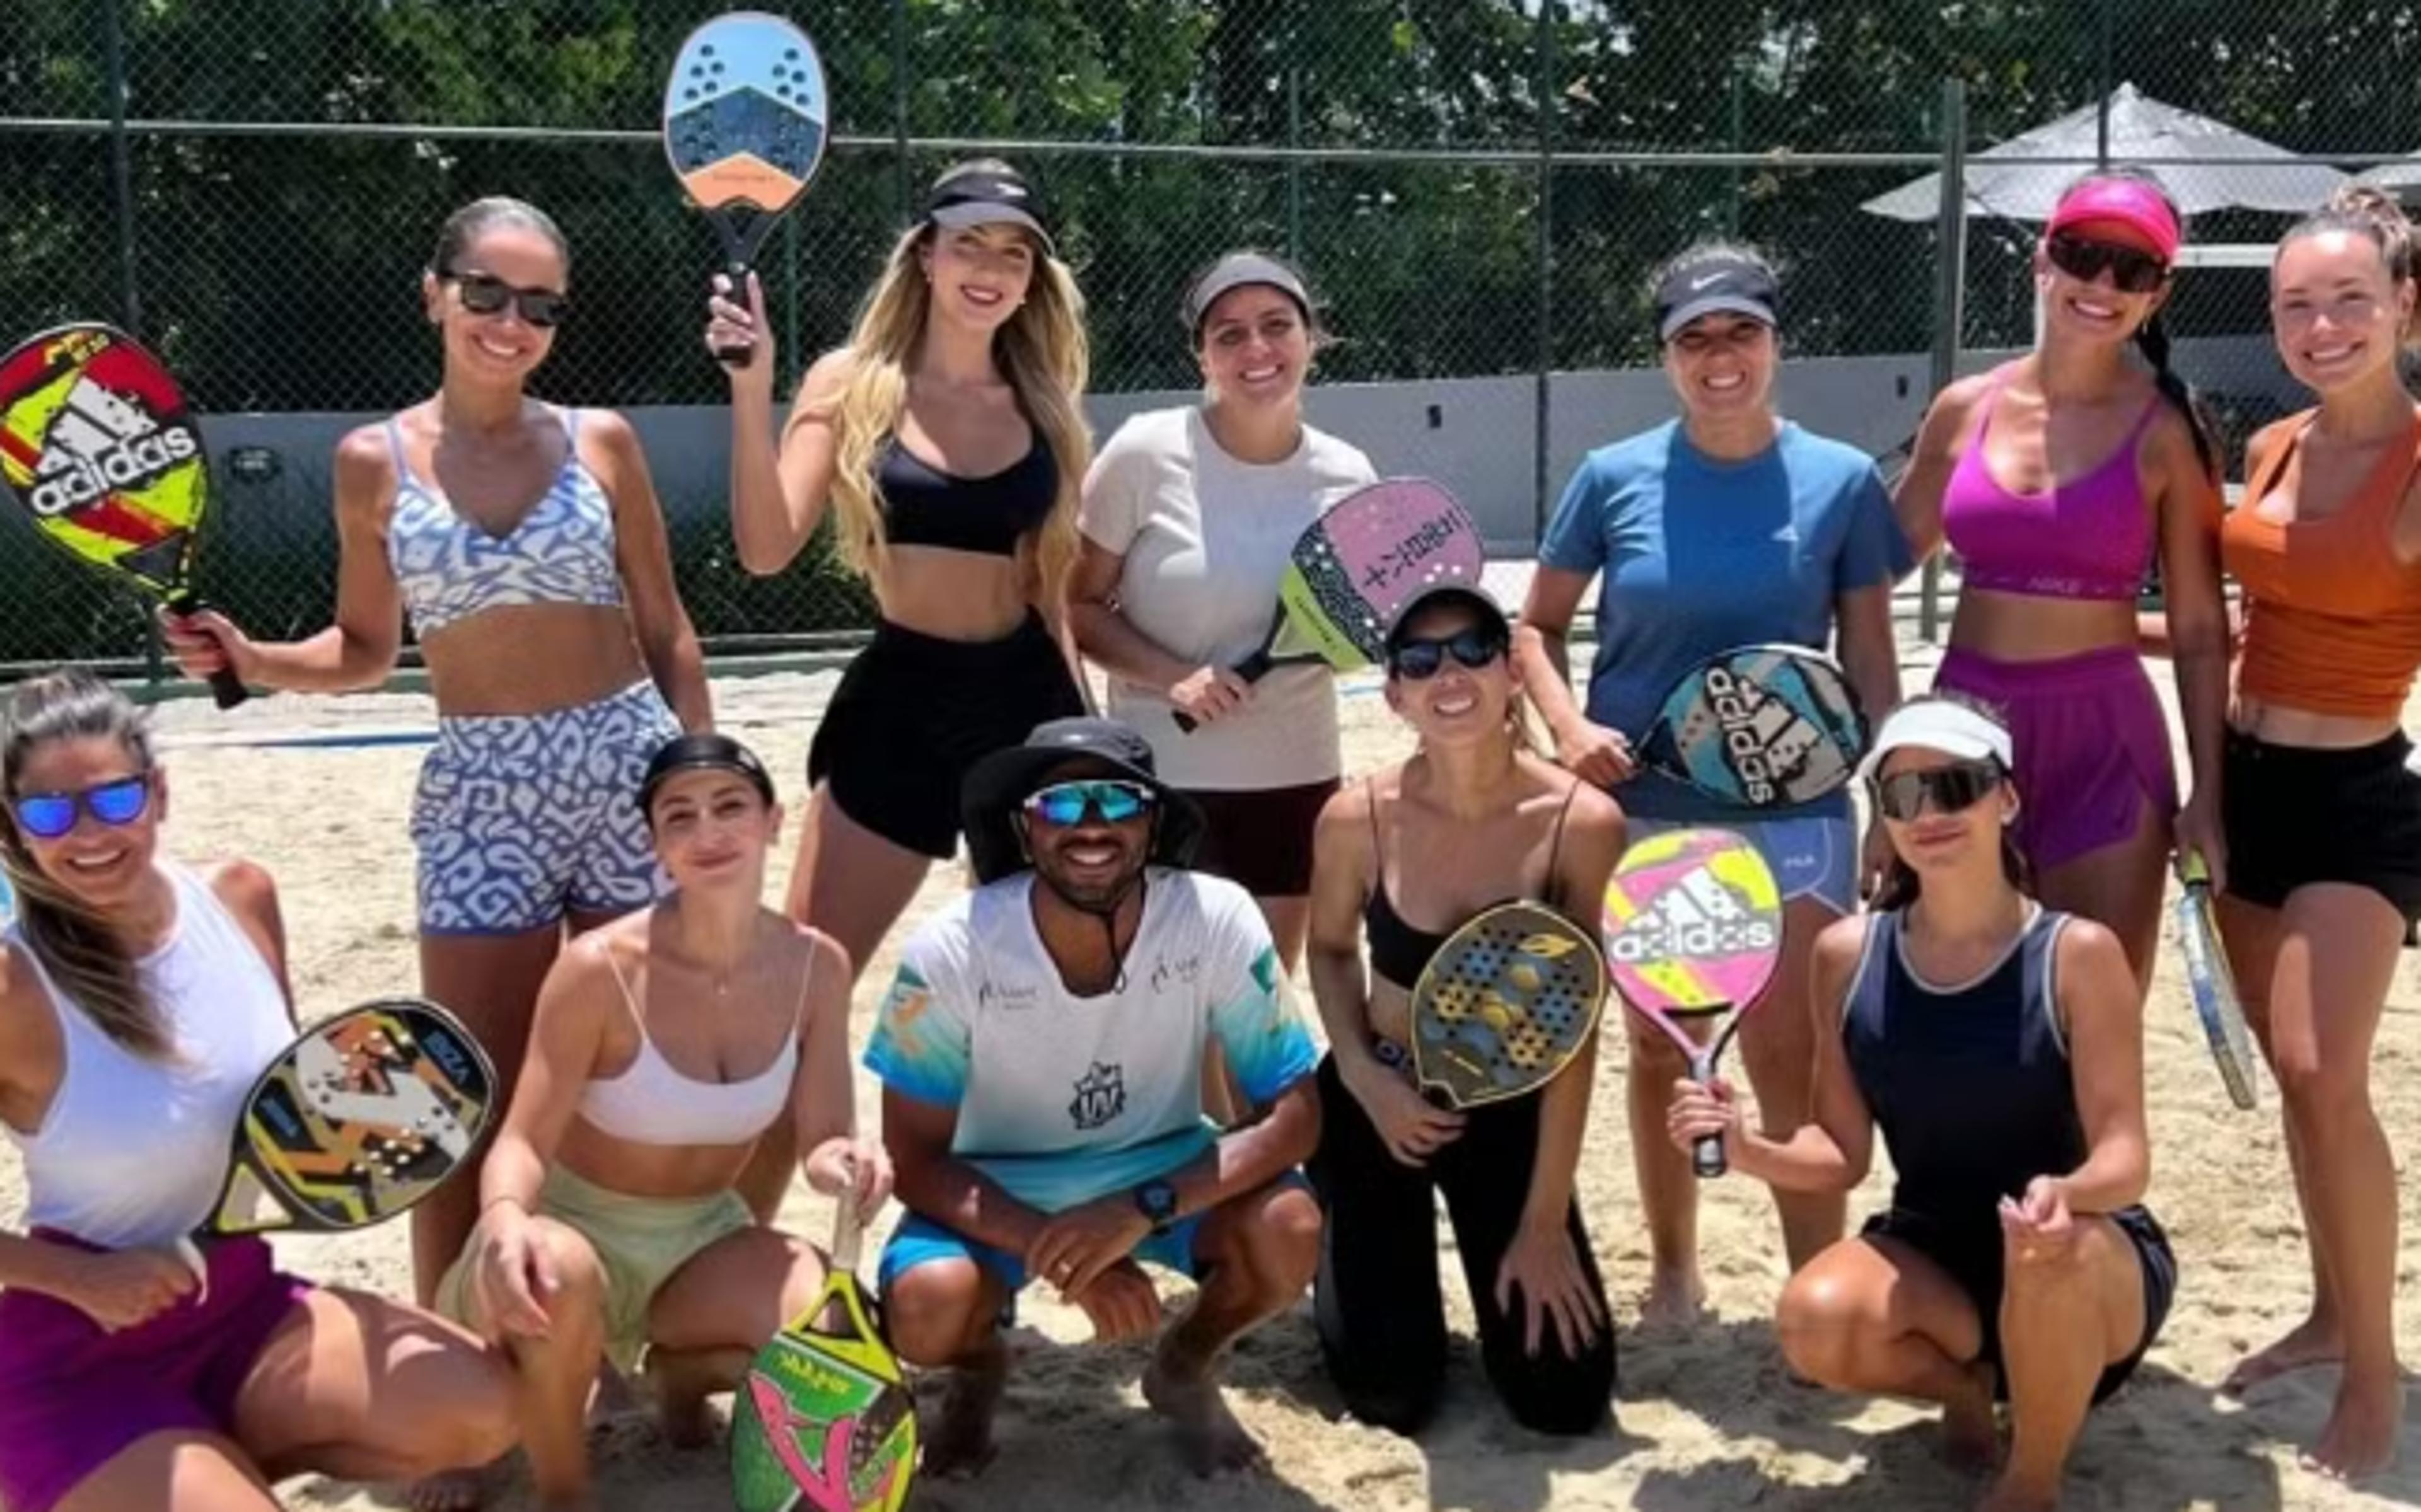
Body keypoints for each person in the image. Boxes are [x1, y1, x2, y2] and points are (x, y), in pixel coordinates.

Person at [161, 197, 711, 1300]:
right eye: (488, 293)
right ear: (436, 293)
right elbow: (366, 649)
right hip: (482, 784)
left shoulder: (600, 439)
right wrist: (253, 653)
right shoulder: (375, 460)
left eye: (541, 304)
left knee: (621, 1076)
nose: (512, 322)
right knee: (453, 1082)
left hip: (625, 769)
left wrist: (704, 776)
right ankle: (456, 1340)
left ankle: (622, 1328)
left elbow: (664, 624)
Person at [0, 669, 516, 1512]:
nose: (89, 834)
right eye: (51, 812)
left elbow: (302, 1105)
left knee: (482, 1409)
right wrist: (76, 1276)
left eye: (114, 799)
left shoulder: (241, 897)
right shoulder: (15, 984)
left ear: (159, 792)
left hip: (243, 1304)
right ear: (15, 826)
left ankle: (196, 1458)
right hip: (78, 1353)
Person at [1515, 241, 1905, 1324]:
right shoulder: (1611, 475)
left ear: (1778, 343)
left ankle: (1810, 1278)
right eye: (1695, 337)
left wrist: (1880, 793)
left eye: (1741, 332)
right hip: (1649, 805)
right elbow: (1536, 628)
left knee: (1790, 1048)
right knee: (1658, 1048)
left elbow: (1870, 661)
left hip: (1798, 813)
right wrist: (1569, 721)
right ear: (1665, 355)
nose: (1719, 355)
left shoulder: (1840, 479)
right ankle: (1675, 1271)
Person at [1669, 696, 2174, 1512]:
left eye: (1956, 785)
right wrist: (1747, 1145)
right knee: (1812, 1320)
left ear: (2006, 797)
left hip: (2084, 1258)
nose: (1929, 812)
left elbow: (2126, 1155)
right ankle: (1968, 1388)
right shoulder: (1846, 952)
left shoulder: (2078, 952)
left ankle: (2030, 1483)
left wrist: (2068, 1194)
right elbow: (1842, 1150)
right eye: (1902, 796)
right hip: (1935, 1256)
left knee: (2052, 1250)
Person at [437, 732, 886, 1511]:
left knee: (823, 1322)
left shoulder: (818, 964)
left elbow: (820, 1138)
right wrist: (506, 1218)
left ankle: (678, 1378)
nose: (707, 832)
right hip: (572, 1229)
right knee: (552, 1268)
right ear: (655, 842)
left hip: (702, 1235)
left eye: (729, 806)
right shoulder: (599, 968)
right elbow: (521, 1140)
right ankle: (564, 1493)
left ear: (774, 821)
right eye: (679, 816)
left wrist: (850, 1161)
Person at [864, 717, 1321, 1478]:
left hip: (1162, 1162)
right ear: (1024, 827)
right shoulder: (952, 946)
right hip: (1001, 1176)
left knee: (1291, 1227)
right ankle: (980, 1368)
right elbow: (912, 1156)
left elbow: (1297, 1114)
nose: (1092, 826)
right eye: (1062, 805)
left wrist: (1140, 1206)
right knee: (924, 1310)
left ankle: (1183, 1361)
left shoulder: (1215, 914)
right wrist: (1069, 1254)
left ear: (1154, 818)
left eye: (1116, 801)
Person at [702, 158, 1091, 990]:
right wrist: (752, 388)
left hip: (1024, 697)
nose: (988, 270)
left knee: (1030, 983)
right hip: (902, 697)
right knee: (803, 971)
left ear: (1033, 280)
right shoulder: (850, 383)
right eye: (969, 245)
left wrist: (1085, 733)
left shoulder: (1046, 400)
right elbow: (766, 550)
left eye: (1012, 254)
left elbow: (1049, 587)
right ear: (925, 255)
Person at [1892, 170, 2229, 987]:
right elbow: (1871, 567)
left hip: (2106, 743)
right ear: (2043, 259)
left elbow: (2197, 628)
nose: (2102, 285)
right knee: (1961, 1014)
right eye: (2083, 256)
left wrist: (2210, 796)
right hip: (1962, 731)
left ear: (2159, 293)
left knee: (2093, 1013)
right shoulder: (1962, 409)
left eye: (2133, 270)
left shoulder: (2171, 431)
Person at [2208, 185, 2421, 1479]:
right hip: (2243, 786)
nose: (2323, 323)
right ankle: (2330, 1309)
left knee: (2322, 1069)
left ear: (2407, 304)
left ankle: (2380, 1369)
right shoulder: (2277, 442)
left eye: (2352, 297)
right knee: (2297, 1081)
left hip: (2359, 799)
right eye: (2297, 303)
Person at [1304, 584, 1624, 1436]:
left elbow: (1576, 1025)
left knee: (1563, 1398)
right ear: (1396, 694)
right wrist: (1367, 1077)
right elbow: (1331, 949)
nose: (1448, 672)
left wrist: (1545, 1220)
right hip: (1381, 1097)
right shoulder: (1354, 816)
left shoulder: (1581, 822)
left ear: (1512, 673)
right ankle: (1348, 1216)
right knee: (1390, 1395)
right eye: (1419, 659)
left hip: (1509, 1104)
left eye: (1473, 649)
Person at [1071, 250, 1378, 971]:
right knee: (1153, 1003)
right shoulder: (1145, 451)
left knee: (1253, 1011)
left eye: (1277, 326)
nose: (1257, 349)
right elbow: (1079, 605)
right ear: (1201, 354)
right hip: (1160, 777)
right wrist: (1174, 675)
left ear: (1311, 339)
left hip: (1295, 778)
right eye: (1229, 333)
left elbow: (1357, 633)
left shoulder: (1350, 476)